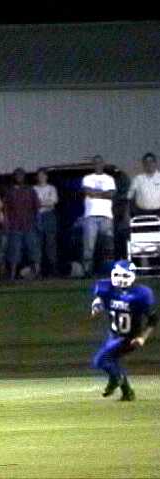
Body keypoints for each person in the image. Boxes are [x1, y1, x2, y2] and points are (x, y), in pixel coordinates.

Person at [90, 260, 158, 401]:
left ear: (133, 276)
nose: (120, 279)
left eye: (125, 276)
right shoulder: (106, 287)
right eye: (117, 275)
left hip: (129, 337)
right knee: (111, 361)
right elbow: (99, 299)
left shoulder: (141, 294)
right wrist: (96, 305)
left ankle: (116, 380)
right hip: (113, 335)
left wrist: (142, 337)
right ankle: (127, 392)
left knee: (100, 360)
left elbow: (153, 319)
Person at [82, 155, 116, 277]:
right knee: (89, 246)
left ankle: (108, 270)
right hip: (91, 216)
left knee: (108, 245)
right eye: (95, 163)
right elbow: (88, 192)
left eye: (100, 162)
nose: (98, 165)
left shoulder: (109, 179)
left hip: (106, 216)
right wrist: (103, 194)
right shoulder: (87, 178)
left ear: (103, 164)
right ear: (93, 165)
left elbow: (111, 194)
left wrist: (95, 193)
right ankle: (87, 271)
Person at [3, 168, 40, 280]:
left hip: (29, 225)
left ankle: (37, 273)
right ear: (14, 177)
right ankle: (12, 275)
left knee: (33, 250)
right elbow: (5, 209)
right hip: (15, 226)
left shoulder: (30, 190)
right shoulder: (9, 191)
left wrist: (36, 222)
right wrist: (6, 224)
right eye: (17, 175)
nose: (19, 177)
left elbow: (36, 206)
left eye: (21, 175)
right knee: (14, 251)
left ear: (24, 177)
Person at [33, 168, 58, 277]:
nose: (41, 177)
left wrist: (41, 203)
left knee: (50, 243)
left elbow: (53, 202)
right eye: (39, 175)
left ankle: (52, 269)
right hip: (37, 216)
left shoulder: (51, 188)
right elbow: (34, 203)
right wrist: (44, 203)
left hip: (49, 216)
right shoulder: (34, 189)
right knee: (38, 243)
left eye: (43, 175)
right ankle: (38, 270)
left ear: (46, 176)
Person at [128, 152, 160, 217]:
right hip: (141, 213)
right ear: (143, 164)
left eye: (151, 161)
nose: (149, 164)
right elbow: (129, 196)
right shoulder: (137, 179)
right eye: (146, 162)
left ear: (156, 163)